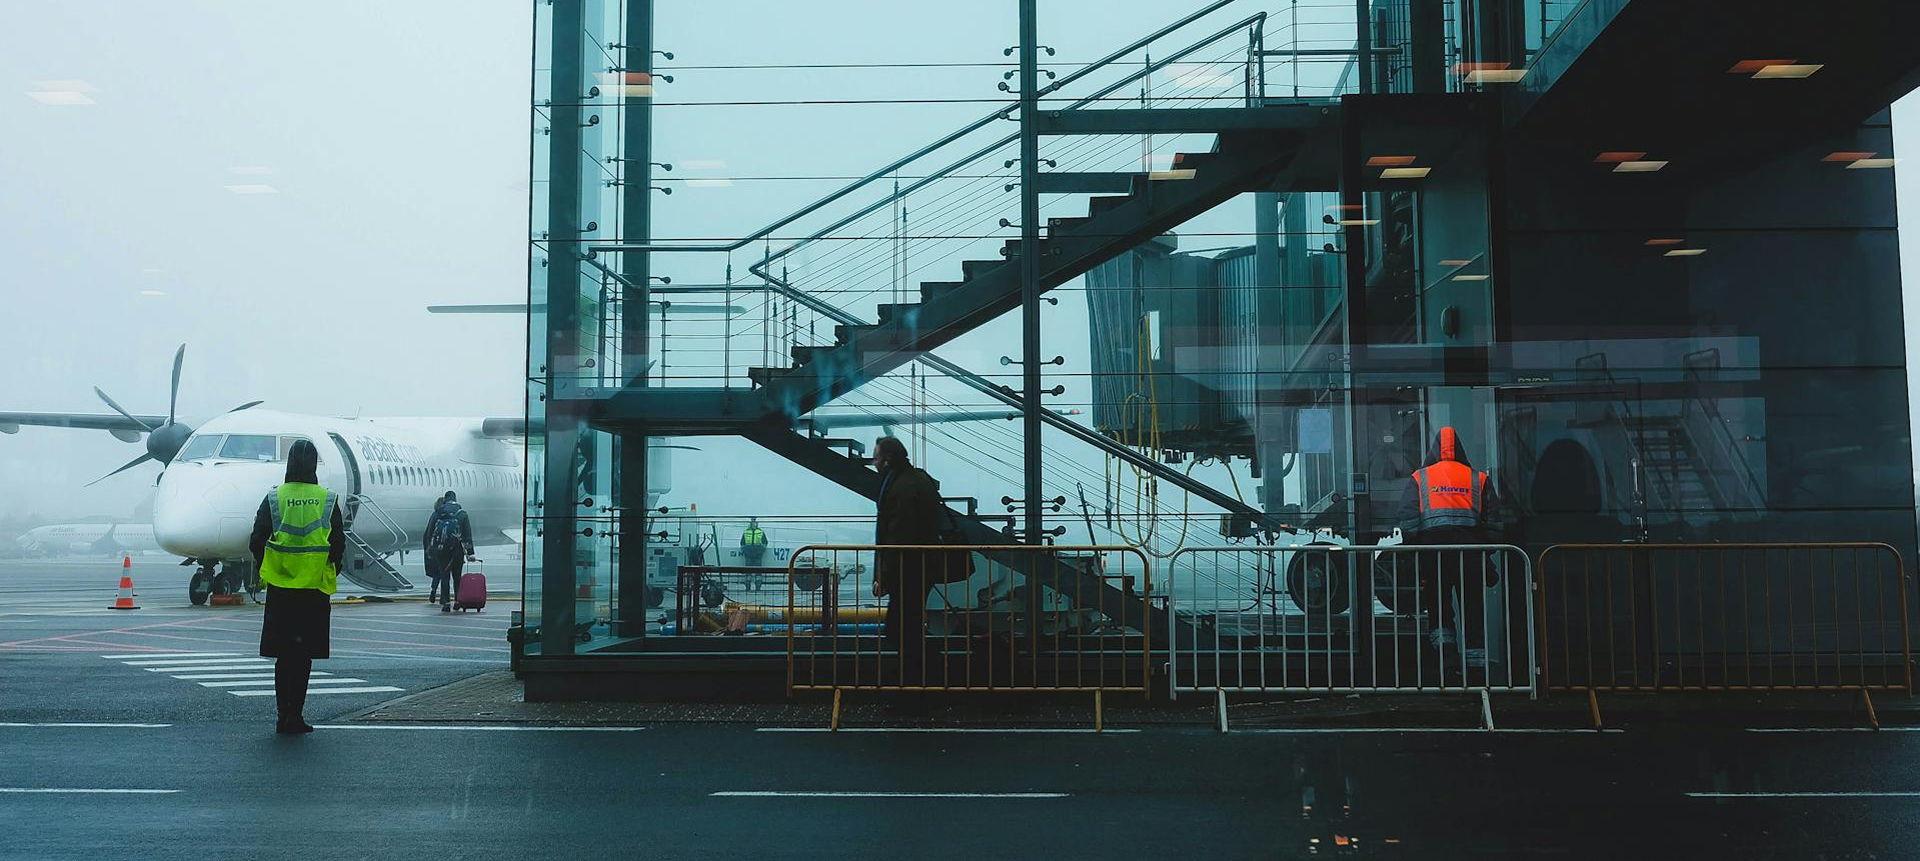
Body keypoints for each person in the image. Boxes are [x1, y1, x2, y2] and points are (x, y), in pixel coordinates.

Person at [249, 439, 344, 735]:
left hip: (280, 587)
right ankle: (296, 715)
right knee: (303, 657)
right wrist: (328, 568)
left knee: (283, 655)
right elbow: (338, 543)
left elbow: (257, 539)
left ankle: (282, 715)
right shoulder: (327, 498)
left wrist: (272, 565)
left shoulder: (274, 498)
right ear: (314, 464)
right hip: (314, 589)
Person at [1395, 425, 1502, 663]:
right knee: (1472, 607)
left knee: (1439, 606)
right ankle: (1476, 666)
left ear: (1433, 449)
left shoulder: (1419, 478)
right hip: (1471, 556)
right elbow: (1494, 523)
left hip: (1434, 555)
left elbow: (1408, 519)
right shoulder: (1478, 478)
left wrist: (1415, 543)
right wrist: (1488, 548)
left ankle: (1445, 661)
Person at [871, 437, 945, 698]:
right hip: (920, 566)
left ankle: (917, 686)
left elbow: (897, 536)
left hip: (908, 569)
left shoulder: (900, 488)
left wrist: (884, 576)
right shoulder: (917, 480)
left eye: (876, 457)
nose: (873, 461)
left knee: (900, 629)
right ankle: (920, 683)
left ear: (888, 459)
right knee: (908, 626)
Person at [426, 491, 475, 612]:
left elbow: (430, 531)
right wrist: (470, 553)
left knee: (444, 576)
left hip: (442, 550)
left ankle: (446, 603)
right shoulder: (462, 514)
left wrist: (430, 548)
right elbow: (467, 534)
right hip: (457, 550)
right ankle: (458, 601)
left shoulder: (438, 512)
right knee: (457, 576)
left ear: (445, 500)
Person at [422, 492, 450, 604]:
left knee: (437, 573)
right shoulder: (448, 515)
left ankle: (433, 590)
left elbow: (428, 532)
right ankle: (444, 597)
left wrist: (428, 547)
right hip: (446, 547)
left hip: (435, 547)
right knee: (445, 573)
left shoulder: (434, 515)